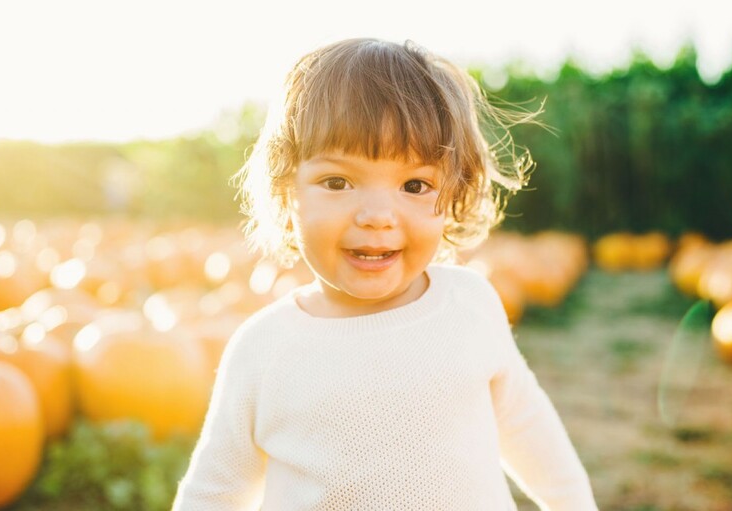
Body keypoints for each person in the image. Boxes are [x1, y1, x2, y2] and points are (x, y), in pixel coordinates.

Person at [173, 37, 598, 510]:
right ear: (286, 192)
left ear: (453, 196)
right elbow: (214, 493)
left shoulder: (469, 305)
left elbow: (525, 427)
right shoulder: (264, 349)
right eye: (338, 182)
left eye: (415, 185)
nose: (377, 215)